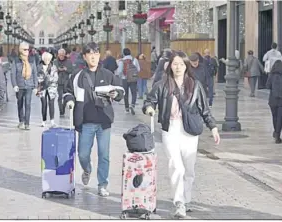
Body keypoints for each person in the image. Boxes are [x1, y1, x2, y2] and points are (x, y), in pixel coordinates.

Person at [143, 51, 220, 218]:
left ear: (186, 66)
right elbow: (149, 100)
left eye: (181, 64)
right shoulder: (163, 84)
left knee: (189, 169)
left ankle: (186, 198)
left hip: (190, 131)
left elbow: (204, 109)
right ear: (170, 65)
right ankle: (179, 202)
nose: (178, 67)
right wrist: (149, 108)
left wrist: (213, 127)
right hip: (170, 129)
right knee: (176, 166)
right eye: (175, 63)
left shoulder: (195, 85)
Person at [63, 42, 124, 197]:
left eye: (96, 53)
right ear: (84, 56)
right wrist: (69, 100)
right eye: (90, 54)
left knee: (104, 154)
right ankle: (87, 169)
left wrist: (116, 94)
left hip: (104, 121)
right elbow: (68, 91)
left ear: (99, 56)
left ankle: (103, 184)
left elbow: (120, 90)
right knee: (83, 154)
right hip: (85, 121)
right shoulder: (78, 76)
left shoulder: (107, 74)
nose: (93, 57)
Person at [10, 42, 38, 130]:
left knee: (28, 104)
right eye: (25, 49)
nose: (27, 51)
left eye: (28, 49)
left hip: (29, 85)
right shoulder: (16, 60)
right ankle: (21, 121)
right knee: (20, 103)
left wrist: (36, 86)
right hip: (20, 86)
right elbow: (13, 74)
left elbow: (34, 73)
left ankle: (27, 123)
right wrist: (14, 85)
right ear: (21, 50)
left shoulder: (32, 60)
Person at [266, 60, 282, 144]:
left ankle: (276, 132)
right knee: (280, 118)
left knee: (275, 117)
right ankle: (277, 135)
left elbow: (267, 86)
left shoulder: (271, 74)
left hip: (273, 99)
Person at [37, 52, 58, 127]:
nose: (47, 60)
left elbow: (56, 77)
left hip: (51, 88)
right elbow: (37, 77)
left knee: (51, 104)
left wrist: (49, 79)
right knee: (44, 104)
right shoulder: (39, 67)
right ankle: (43, 121)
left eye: (49, 59)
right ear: (43, 59)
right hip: (42, 88)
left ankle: (52, 121)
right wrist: (42, 81)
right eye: (46, 59)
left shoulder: (53, 67)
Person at [117, 48, 140, 115]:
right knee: (134, 93)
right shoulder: (134, 60)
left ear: (123, 53)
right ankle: (132, 105)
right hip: (133, 78)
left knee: (125, 94)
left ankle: (127, 109)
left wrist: (121, 76)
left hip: (125, 79)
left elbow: (119, 71)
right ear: (130, 52)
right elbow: (138, 69)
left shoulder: (121, 61)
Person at [54, 48, 74, 117]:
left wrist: (66, 69)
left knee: (65, 96)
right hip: (58, 82)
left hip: (66, 82)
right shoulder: (55, 62)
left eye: (62, 55)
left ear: (64, 55)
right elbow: (52, 71)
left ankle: (63, 107)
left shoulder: (68, 62)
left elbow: (71, 71)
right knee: (59, 97)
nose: (61, 56)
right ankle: (61, 111)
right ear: (58, 55)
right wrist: (58, 70)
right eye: (60, 55)